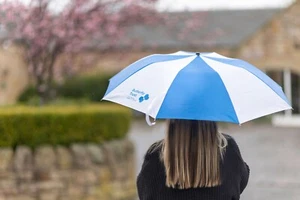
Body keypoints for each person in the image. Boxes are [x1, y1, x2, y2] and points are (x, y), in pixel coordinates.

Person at [137, 119, 250, 200]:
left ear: (171, 123)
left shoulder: (155, 155)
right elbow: (241, 180)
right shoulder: (228, 149)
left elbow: (144, 191)